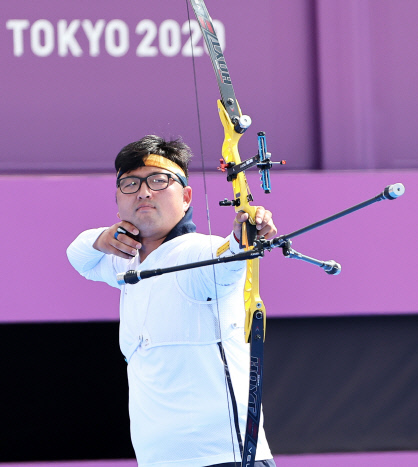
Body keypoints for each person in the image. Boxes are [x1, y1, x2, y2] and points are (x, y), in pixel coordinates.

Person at [67, 135, 277, 467]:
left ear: (186, 196)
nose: (144, 192)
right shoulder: (125, 261)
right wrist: (101, 237)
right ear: (118, 200)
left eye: (158, 180)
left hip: (225, 458)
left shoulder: (198, 251)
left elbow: (228, 256)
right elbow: (78, 256)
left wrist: (244, 235)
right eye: (130, 184)